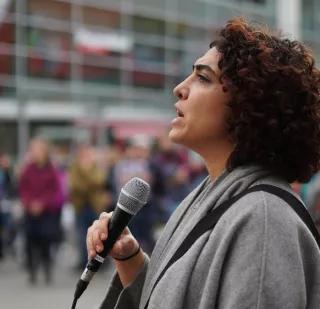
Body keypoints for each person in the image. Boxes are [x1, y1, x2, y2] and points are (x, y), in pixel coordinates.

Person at [86, 18, 320, 308]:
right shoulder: (214, 193)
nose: (180, 88)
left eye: (203, 78)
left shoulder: (263, 220)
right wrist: (129, 259)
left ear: (247, 105)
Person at [19, 138, 63, 284]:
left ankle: (47, 269)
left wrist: (42, 204)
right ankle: (32, 271)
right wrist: (29, 203)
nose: (35, 153)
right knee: (30, 242)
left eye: (38, 150)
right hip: (30, 211)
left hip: (47, 212)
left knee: (45, 241)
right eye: (33, 150)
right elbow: (22, 189)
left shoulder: (52, 170)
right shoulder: (27, 169)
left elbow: (55, 190)